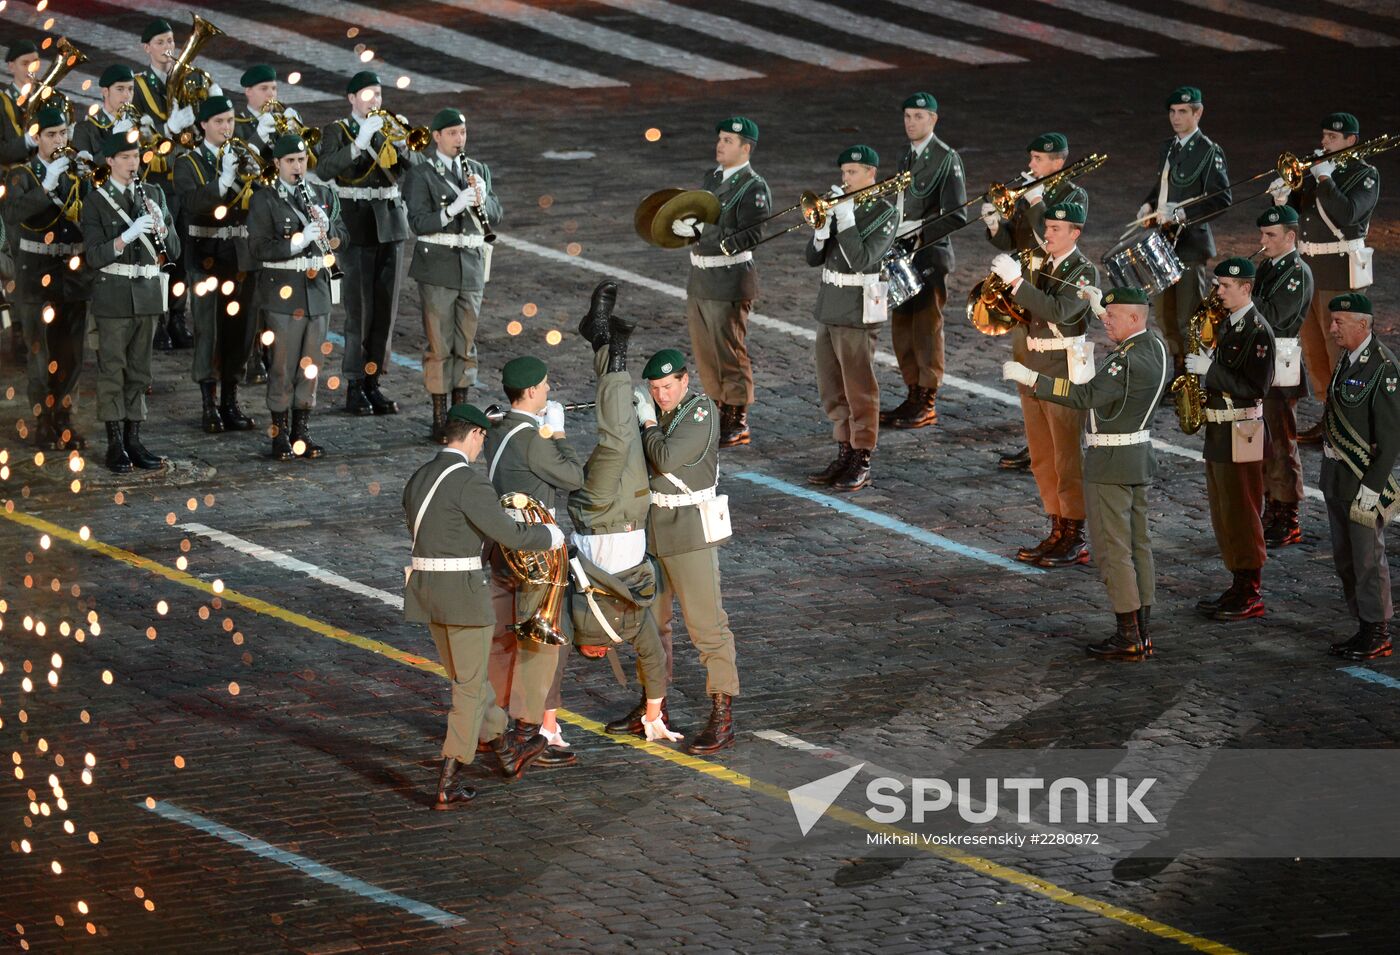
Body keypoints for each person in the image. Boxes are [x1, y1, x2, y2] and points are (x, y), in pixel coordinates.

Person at [402, 401, 565, 809]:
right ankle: (449, 775)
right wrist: (551, 537)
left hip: (427, 593)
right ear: (474, 434)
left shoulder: (419, 477)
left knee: (469, 677)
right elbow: (509, 534)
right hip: (464, 597)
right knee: (468, 689)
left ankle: (506, 753)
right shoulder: (469, 482)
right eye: (482, 440)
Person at [1004, 287, 1170, 658]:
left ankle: (1127, 635)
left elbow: (1084, 396)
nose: (1105, 321)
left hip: (1109, 463)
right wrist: (1101, 307)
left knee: (1114, 551)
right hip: (1138, 457)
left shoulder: (1123, 361)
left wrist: (1033, 380)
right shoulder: (1155, 347)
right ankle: (1142, 631)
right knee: (1139, 547)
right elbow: (1125, 323)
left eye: (1112, 317)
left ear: (1134, 318)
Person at [572, 283, 677, 743]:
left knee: (616, 437)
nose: (596, 649)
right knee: (628, 431)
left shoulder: (577, 623)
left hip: (598, 511)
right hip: (633, 511)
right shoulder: (629, 628)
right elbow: (652, 660)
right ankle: (599, 338)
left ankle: (617, 351)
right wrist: (654, 712)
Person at [633, 347, 739, 755]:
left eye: (667, 386)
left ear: (684, 381)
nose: (661, 395)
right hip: (654, 530)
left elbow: (663, 457)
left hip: (690, 532)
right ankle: (652, 707)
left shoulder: (699, 412)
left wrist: (643, 420)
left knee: (707, 628)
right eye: (654, 390)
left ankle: (723, 715)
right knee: (651, 626)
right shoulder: (660, 413)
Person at [483, 354, 586, 768]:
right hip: (535, 553)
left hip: (500, 547)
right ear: (529, 392)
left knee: (501, 642)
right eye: (544, 386)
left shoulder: (497, 430)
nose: (548, 390)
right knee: (536, 644)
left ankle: (491, 729)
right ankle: (526, 733)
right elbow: (573, 476)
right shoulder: (532, 438)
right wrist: (556, 432)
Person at [992, 201, 1098, 568]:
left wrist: (1018, 282)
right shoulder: (1044, 265)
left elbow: (1059, 311)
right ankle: (1056, 527)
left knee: (1067, 458)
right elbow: (1029, 312)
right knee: (1042, 458)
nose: (1048, 234)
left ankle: (1075, 534)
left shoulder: (1084, 271)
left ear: (1075, 233)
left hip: (1063, 368)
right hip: (1034, 364)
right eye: (1047, 227)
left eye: (1056, 229)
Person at [315, 70, 421, 417]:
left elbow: (417, 171)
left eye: (378, 94)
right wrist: (359, 142)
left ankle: (375, 380)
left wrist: (404, 145)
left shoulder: (391, 128)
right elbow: (326, 168)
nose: (374, 100)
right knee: (359, 311)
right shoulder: (338, 130)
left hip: (390, 225)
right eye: (367, 94)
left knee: (385, 311)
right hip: (356, 223)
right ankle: (354, 384)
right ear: (351, 98)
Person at [983, 132, 1088, 470]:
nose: (1030, 165)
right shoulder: (1027, 193)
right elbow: (1012, 239)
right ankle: (1036, 443)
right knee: (1024, 368)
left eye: (1038, 160)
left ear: (1058, 162)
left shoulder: (1074, 195)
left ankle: (1059, 447)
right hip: (1023, 288)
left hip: (1049, 289)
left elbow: (1051, 240)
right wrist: (994, 224)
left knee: (1050, 374)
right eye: (1031, 159)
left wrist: (1038, 201)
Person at [1275, 113, 1381, 444]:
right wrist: (1282, 198)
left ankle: (1350, 420)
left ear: (1351, 140)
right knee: (1314, 347)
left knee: (1340, 348)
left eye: (1333, 138)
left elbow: (1348, 213)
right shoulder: (1317, 169)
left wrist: (1325, 180)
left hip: (1340, 272)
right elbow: (1299, 215)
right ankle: (1328, 414)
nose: (1325, 143)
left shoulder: (1365, 175)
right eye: (1324, 136)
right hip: (1309, 269)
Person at [80, 131, 180, 473]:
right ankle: (114, 443)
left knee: (140, 370)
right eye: (124, 157)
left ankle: (134, 438)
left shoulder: (153, 193)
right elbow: (93, 255)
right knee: (113, 370)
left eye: (136, 156)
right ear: (110, 161)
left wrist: (162, 228)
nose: (132, 163)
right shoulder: (96, 200)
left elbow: (175, 252)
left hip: (148, 294)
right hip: (114, 294)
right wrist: (125, 236)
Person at [245, 133, 348, 460]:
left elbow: (342, 234)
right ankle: (279, 433)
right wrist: (298, 241)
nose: (297, 167)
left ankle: (301, 431)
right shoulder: (265, 199)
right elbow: (259, 248)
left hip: (316, 291)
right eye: (290, 161)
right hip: (283, 293)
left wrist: (329, 234)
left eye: (301, 160)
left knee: (311, 366)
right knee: (282, 365)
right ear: (277, 164)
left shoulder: (321, 194)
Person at [403, 107, 501, 442]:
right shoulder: (422, 174)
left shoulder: (477, 170)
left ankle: (461, 412)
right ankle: (439, 416)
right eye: (453, 133)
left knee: (467, 343)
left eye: (463, 132)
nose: (460, 139)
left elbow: (497, 213)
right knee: (439, 345)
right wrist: (453, 207)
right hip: (437, 267)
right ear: (437, 137)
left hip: (471, 267)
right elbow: (418, 222)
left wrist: (482, 200)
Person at [671, 116, 771, 448]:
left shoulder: (753, 187)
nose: (720, 144)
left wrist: (704, 231)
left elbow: (752, 235)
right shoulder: (711, 177)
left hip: (729, 279)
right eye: (720, 138)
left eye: (728, 140)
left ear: (746, 148)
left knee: (729, 350)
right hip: (700, 276)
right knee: (705, 351)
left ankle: (736, 416)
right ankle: (716, 408)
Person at [805, 145, 899, 492]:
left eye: (853, 172)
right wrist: (821, 230)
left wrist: (845, 220)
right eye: (844, 172)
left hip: (858, 309)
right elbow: (813, 259)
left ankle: (862, 456)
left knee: (859, 388)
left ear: (871, 174)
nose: (846, 179)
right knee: (832, 387)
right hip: (830, 306)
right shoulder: (840, 207)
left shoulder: (883, 212)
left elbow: (861, 258)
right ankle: (844, 449)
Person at [1189, 257, 1275, 621]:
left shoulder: (1257, 331)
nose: (1218, 292)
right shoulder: (1230, 324)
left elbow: (1256, 387)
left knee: (1242, 512)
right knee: (1224, 513)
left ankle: (1250, 590)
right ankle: (1238, 582)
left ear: (1246, 288)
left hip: (1243, 431)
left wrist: (1211, 371)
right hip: (1221, 430)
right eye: (1218, 285)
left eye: (1225, 286)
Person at [4, 106, 91, 452]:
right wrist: (47, 184)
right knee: (41, 353)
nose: (59, 141)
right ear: (36, 137)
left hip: (73, 275)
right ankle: (43, 420)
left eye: (63, 133)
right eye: (51, 134)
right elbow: (12, 212)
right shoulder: (22, 175)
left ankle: (65, 419)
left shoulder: (77, 173)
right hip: (36, 273)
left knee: (71, 352)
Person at [1319, 293, 1399, 661]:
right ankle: (1363, 625)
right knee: (1345, 557)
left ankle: (1378, 630)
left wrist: (1373, 486)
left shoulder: (1382, 368)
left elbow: (1391, 436)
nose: (1332, 328)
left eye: (1339, 322)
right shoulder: (1348, 359)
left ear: (1362, 325)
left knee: (1367, 558)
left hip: (1362, 479)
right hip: (1337, 476)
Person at [173, 95, 258, 435]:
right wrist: (222, 181)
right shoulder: (188, 162)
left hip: (240, 256)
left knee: (241, 331)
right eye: (219, 122)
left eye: (230, 121)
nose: (226, 128)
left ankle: (230, 400)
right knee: (209, 329)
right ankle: (209, 403)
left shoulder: (243, 156)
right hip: (205, 254)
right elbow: (192, 205)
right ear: (203, 125)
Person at [883, 91, 966, 431]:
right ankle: (912, 392)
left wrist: (919, 228)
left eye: (918, 116)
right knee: (902, 326)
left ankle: (927, 398)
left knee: (927, 328)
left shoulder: (947, 158)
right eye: (907, 116)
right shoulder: (906, 155)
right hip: (902, 252)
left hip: (930, 253)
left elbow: (958, 214)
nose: (911, 123)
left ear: (933, 119)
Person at [1137, 86, 1230, 377]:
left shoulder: (1209, 152)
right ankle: (1178, 370)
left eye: (1183, 112)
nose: (1176, 118)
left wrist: (1185, 213)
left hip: (1189, 244)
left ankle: (1191, 375)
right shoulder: (1169, 147)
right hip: (1163, 244)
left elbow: (1221, 199)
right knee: (1164, 315)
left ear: (1197, 113)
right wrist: (1148, 205)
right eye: (1172, 112)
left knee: (1187, 315)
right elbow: (1163, 185)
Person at [132, 17, 211, 352]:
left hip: (185, 176)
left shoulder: (190, 80)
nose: (168, 49)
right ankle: (159, 319)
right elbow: (137, 135)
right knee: (158, 250)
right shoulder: (135, 85)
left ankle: (178, 316)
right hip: (155, 179)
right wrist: (168, 128)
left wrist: (209, 103)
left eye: (170, 41)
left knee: (184, 252)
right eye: (161, 43)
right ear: (146, 48)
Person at [1252, 206, 1314, 548]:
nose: (1263, 241)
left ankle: (1287, 515)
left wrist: (1243, 296)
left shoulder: (1297, 273)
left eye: (1270, 235)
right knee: (1262, 442)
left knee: (1281, 443)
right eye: (1262, 234)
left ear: (1290, 237)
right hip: (1261, 364)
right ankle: (1271, 507)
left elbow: (1275, 316)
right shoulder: (1267, 267)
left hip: (1282, 363)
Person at [71, 65, 137, 161]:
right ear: (105, 92)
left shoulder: (138, 123)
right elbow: (87, 170)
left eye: (130, 89)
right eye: (120, 89)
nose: (127, 95)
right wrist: (116, 141)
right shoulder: (84, 129)